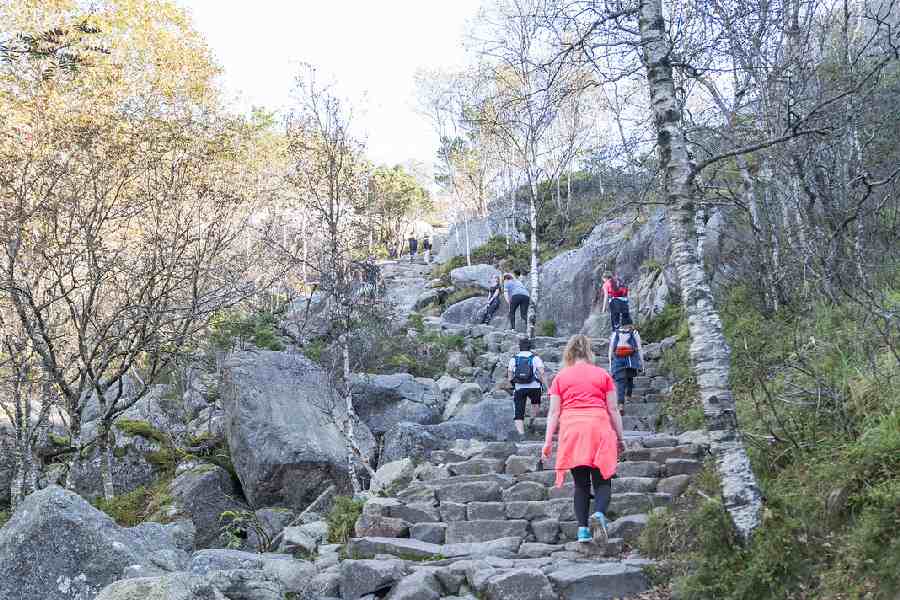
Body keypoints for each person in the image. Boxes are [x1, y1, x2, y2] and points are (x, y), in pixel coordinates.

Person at [542, 334, 625, 544]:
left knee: (580, 485)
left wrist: (548, 441)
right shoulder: (602, 375)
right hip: (598, 427)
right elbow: (613, 409)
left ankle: (582, 531)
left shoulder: (561, 377)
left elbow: (553, 413)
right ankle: (598, 514)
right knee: (602, 480)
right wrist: (620, 438)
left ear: (569, 353)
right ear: (589, 352)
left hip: (572, 430)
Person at [507, 337, 547, 435]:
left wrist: (513, 384)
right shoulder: (535, 358)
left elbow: (510, 376)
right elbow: (542, 373)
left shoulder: (514, 359)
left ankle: (521, 435)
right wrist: (547, 387)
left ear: (519, 347)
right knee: (535, 404)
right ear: (530, 347)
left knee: (519, 412)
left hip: (519, 387)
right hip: (534, 387)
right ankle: (532, 420)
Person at [608, 319, 644, 415]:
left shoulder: (615, 333)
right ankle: (627, 397)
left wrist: (610, 363)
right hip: (631, 360)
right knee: (629, 378)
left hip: (618, 360)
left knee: (621, 381)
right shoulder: (634, 333)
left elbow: (611, 348)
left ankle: (621, 403)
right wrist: (642, 363)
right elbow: (639, 347)